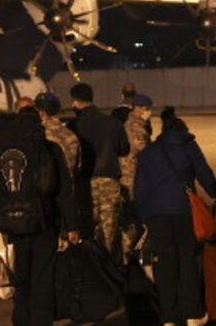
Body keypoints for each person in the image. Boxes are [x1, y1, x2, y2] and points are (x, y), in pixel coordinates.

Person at [0, 107, 79, 326]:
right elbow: (63, 191)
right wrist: (72, 225)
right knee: (43, 278)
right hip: (43, 223)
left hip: (11, 225)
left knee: (20, 277)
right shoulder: (49, 150)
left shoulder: (0, 151)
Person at [134, 106, 216, 326]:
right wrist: (215, 193)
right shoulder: (188, 146)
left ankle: (168, 319)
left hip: (156, 215)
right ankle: (193, 314)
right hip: (183, 211)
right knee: (188, 261)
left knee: (164, 265)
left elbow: (140, 187)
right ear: (182, 129)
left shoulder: (149, 152)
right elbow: (204, 173)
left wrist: (144, 216)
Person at [70, 81, 130, 262]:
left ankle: (91, 270)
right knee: (110, 232)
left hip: (84, 184)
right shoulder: (111, 123)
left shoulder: (73, 126)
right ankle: (111, 269)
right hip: (109, 183)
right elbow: (124, 149)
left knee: (88, 229)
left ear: (76, 101)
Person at [119, 93, 153, 262]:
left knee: (132, 221)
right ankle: (125, 257)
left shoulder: (129, 124)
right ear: (138, 109)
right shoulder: (137, 130)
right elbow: (147, 156)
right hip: (133, 181)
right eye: (146, 109)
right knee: (135, 224)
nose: (149, 112)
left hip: (127, 180)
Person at [34, 92, 80, 176]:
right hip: (67, 186)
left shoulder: (39, 134)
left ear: (41, 113)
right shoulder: (71, 135)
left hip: (46, 186)